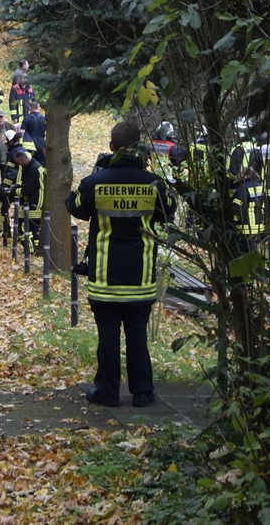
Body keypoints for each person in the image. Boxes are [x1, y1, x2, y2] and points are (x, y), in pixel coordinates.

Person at [65, 121, 177, 408]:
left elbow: (74, 206)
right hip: (140, 277)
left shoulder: (97, 182)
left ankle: (107, 392)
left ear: (112, 147)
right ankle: (142, 392)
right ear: (139, 146)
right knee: (138, 337)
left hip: (105, 277)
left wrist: (95, 174)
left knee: (109, 338)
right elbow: (169, 212)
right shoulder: (154, 184)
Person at [12, 147, 44, 249]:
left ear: (23, 159)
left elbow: (28, 189)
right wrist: (18, 186)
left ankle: (29, 249)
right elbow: (25, 183)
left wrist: (14, 191)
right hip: (34, 201)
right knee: (33, 229)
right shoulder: (29, 167)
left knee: (22, 225)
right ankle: (35, 248)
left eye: (19, 162)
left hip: (36, 202)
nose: (19, 165)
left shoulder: (34, 169)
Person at [19, 98, 47, 164]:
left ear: (30, 108)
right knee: (42, 161)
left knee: (30, 161)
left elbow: (22, 132)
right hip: (41, 143)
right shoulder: (43, 118)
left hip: (30, 143)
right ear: (37, 108)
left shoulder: (27, 118)